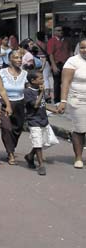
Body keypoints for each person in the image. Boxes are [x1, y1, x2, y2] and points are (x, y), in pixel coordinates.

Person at [57, 38, 86, 168]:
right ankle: (78, 158)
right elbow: (65, 83)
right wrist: (63, 101)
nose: (85, 50)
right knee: (80, 129)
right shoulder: (72, 61)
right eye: (82, 47)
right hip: (78, 100)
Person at [23, 70, 58, 176]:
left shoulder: (39, 90)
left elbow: (43, 104)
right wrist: (42, 92)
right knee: (37, 143)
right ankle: (41, 165)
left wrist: (54, 110)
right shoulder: (27, 92)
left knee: (43, 142)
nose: (43, 80)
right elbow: (35, 105)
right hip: (34, 121)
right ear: (33, 81)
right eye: (40, 79)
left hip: (43, 120)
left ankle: (30, 156)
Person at [0, 50, 27, 165]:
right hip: (5, 103)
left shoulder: (25, 74)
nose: (19, 60)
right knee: (6, 128)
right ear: (10, 59)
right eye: (16, 58)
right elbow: (1, 89)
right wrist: (7, 104)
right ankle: (10, 153)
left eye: (20, 58)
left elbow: (28, 89)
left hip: (20, 104)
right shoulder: (2, 72)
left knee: (17, 129)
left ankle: (11, 147)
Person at [48, 26, 72, 103]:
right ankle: (57, 101)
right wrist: (54, 66)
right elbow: (50, 54)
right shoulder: (51, 41)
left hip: (67, 64)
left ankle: (65, 99)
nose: (60, 32)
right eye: (58, 30)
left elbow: (70, 51)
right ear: (54, 32)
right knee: (57, 83)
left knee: (67, 82)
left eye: (61, 30)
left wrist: (71, 63)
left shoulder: (66, 41)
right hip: (57, 64)